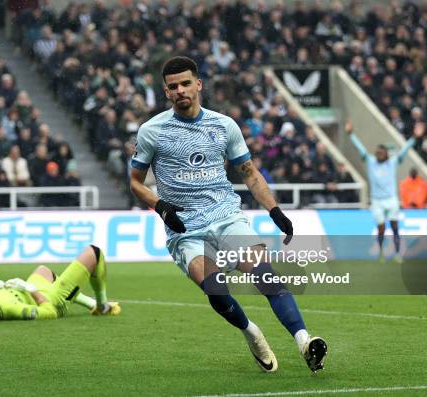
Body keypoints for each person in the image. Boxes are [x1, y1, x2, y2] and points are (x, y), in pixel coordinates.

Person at [129, 56, 326, 373]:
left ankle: (305, 341)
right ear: (166, 92)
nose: (180, 90)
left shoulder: (224, 125)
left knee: (266, 276)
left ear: (199, 84)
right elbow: (135, 183)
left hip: (226, 217)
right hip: (186, 229)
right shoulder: (152, 131)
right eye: (173, 86)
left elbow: (249, 173)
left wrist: (274, 209)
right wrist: (162, 207)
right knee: (217, 290)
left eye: (185, 83)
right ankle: (252, 333)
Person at [0, 245, 121, 321]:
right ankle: (102, 306)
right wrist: (30, 289)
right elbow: (49, 312)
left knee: (43, 271)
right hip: (51, 300)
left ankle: (89, 302)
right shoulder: (15, 310)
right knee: (94, 253)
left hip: (30, 293)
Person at [346, 120, 425, 263]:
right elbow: (361, 149)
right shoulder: (370, 161)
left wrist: (415, 138)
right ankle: (381, 252)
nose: (378, 155)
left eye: (381, 153)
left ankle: (397, 254)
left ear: (386, 154)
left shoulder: (393, 162)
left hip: (391, 199)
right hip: (377, 201)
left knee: (395, 227)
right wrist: (351, 135)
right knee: (381, 228)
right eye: (377, 152)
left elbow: (405, 150)